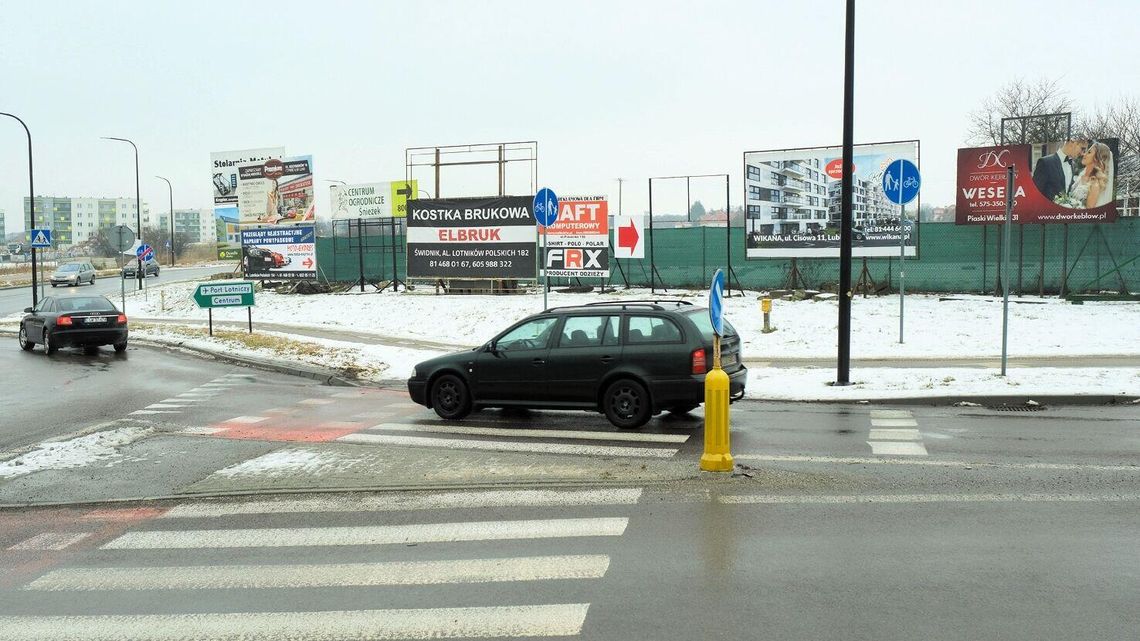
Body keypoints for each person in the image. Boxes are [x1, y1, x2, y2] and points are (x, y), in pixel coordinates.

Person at [1069, 141, 1114, 209]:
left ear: (1096, 158)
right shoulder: (1081, 175)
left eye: (1089, 152)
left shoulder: (1095, 184)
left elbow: (1089, 212)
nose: (1084, 154)